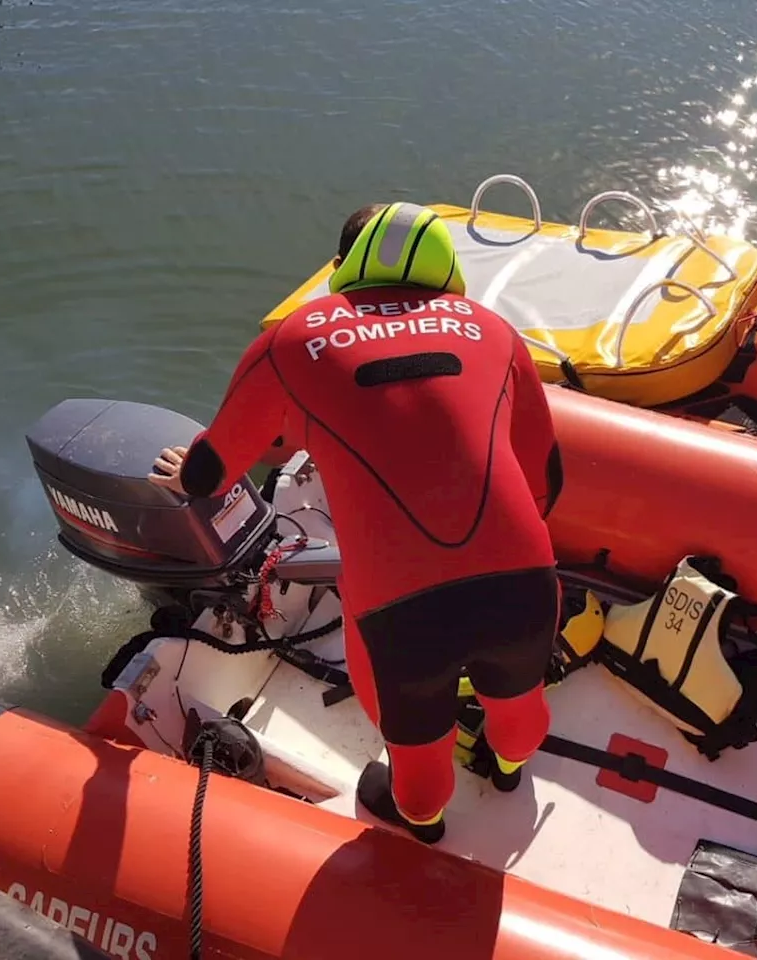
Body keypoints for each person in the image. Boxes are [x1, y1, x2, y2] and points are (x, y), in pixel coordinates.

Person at [148, 202, 564, 844]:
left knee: (416, 745)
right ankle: (508, 768)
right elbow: (546, 482)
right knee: (517, 700)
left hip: (399, 608)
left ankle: (423, 823)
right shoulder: (495, 331)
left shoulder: (293, 337)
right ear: (448, 271)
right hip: (523, 581)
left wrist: (188, 473)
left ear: (342, 268)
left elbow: (211, 471)